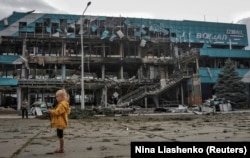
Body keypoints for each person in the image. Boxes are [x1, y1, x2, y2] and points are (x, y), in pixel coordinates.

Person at [46, 89, 70, 153]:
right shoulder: (63, 104)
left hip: (60, 123)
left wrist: (50, 111)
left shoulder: (62, 105)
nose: (56, 98)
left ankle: (61, 148)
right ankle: (61, 147)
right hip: (61, 122)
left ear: (61, 97)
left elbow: (57, 112)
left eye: (57, 96)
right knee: (60, 135)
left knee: (60, 136)